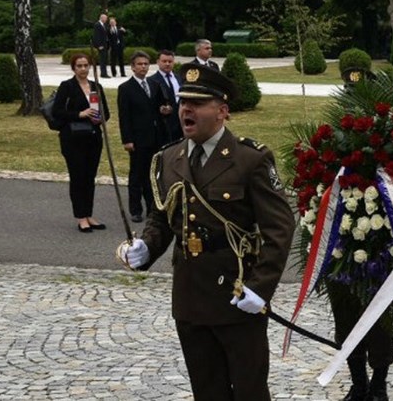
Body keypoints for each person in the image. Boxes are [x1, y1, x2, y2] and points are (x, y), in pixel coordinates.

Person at [116, 64, 295, 401]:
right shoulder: (168, 159)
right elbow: (162, 217)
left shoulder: (249, 159)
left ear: (222, 111)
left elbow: (280, 227)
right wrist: (146, 247)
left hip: (237, 293)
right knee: (206, 389)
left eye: (198, 103)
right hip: (190, 296)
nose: (187, 109)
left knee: (249, 389)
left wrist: (260, 287)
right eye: (184, 101)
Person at [52, 53, 110, 233]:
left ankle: (89, 214)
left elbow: (106, 113)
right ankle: (81, 217)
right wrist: (80, 114)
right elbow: (57, 111)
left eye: (86, 65)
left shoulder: (96, 86)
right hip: (73, 138)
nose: (83, 69)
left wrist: (98, 117)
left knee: (89, 177)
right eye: (79, 66)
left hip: (93, 137)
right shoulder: (67, 87)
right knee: (78, 177)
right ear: (73, 68)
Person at [118, 51, 169, 223]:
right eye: (139, 64)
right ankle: (135, 209)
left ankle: (152, 208)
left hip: (155, 136)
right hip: (138, 139)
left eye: (146, 64)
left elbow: (161, 105)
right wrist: (127, 139)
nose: (143, 67)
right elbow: (124, 116)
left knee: (153, 174)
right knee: (137, 175)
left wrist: (164, 109)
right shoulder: (126, 89)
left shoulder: (154, 85)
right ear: (132, 67)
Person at [152, 49, 184, 145]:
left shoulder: (179, 78)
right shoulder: (152, 80)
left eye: (170, 61)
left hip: (180, 123)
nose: (167, 64)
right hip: (163, 125)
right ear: (158, 62)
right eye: (164, 61)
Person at [92, 13, 111, 78]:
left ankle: (104, 73)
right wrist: (98, 45)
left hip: (105, 45)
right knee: (102, 60)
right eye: (105, 18)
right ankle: (103, 73)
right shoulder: (97, 25)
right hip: (101, 45)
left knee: (105, 59)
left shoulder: (103, 25)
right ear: (102, 18)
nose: (106, 19)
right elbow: (96, 36)